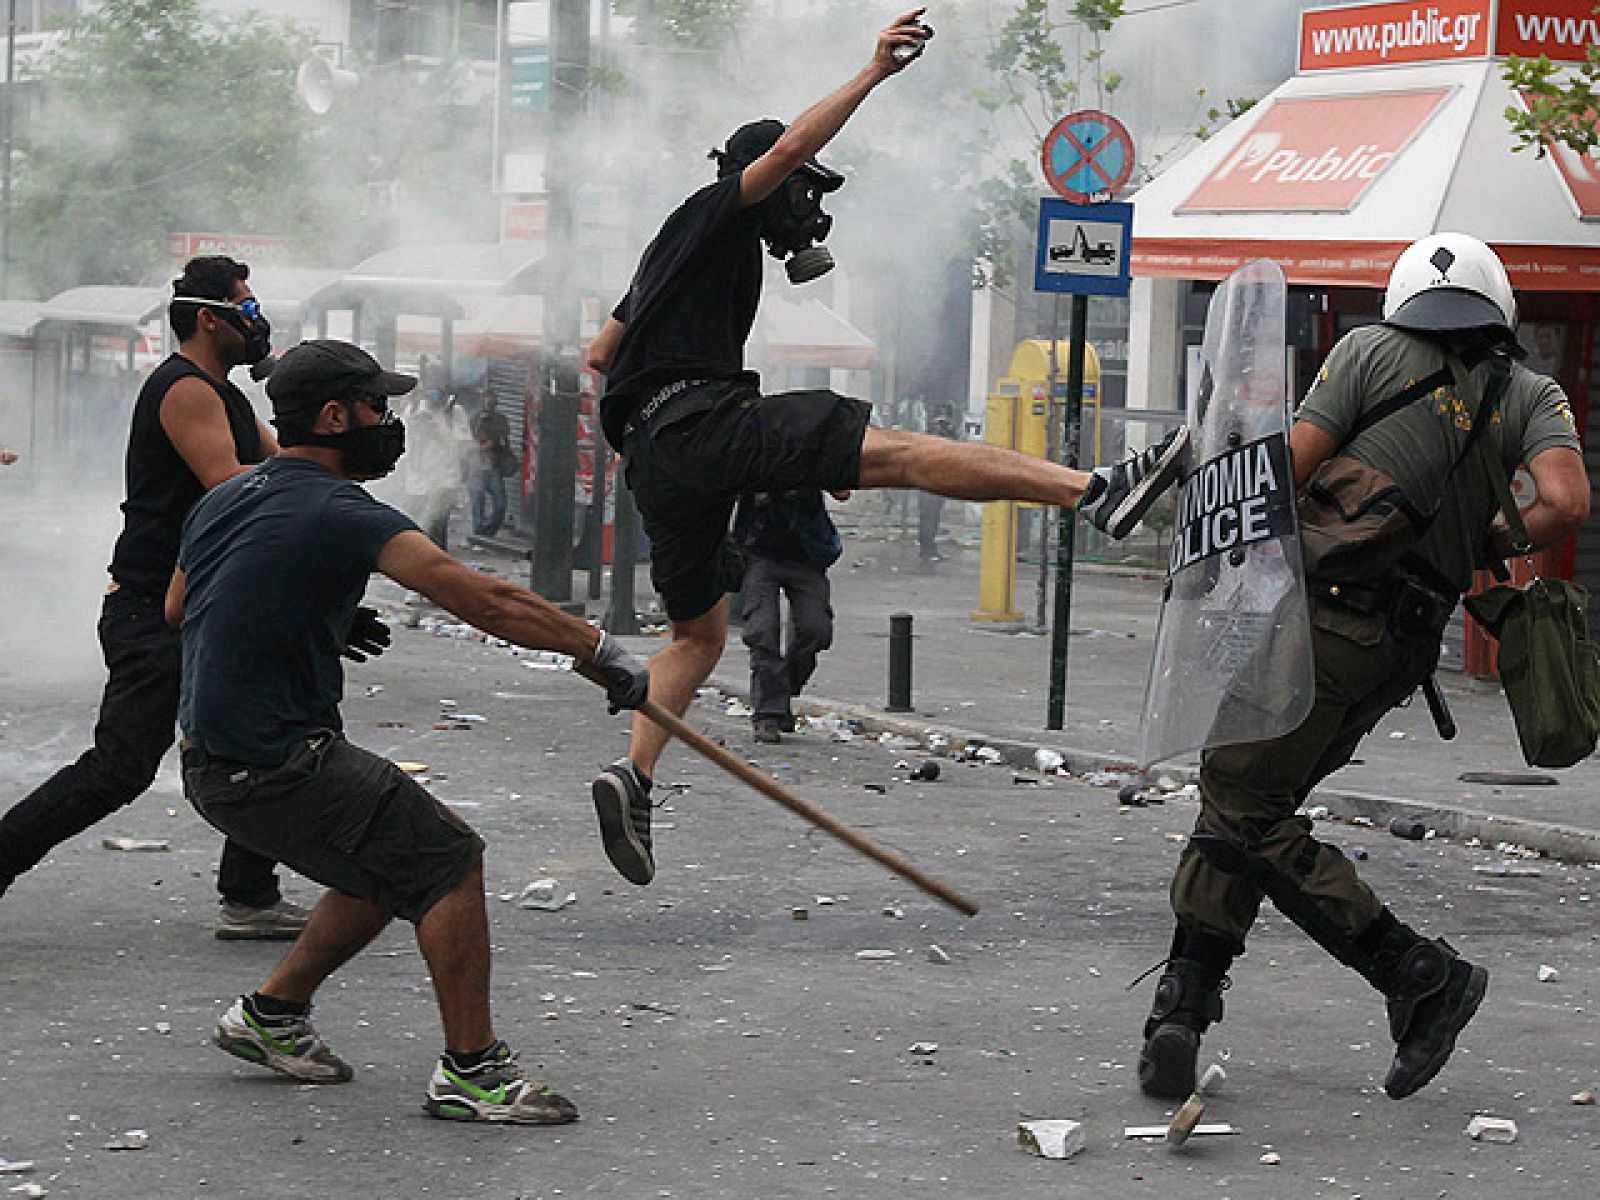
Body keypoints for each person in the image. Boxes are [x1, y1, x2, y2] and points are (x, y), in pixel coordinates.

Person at [583, 7, 1189, 887]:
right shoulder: (718, 208)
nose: (811, 207)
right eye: (809, 192)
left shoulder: (668, 256)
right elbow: (785, 154)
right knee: (901, 451)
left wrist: (666, 445)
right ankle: (1097, 489)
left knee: (694, 636)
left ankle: (630, 776)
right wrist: (874, 72)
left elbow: (600, 355)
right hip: (701, 420)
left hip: (655, 451)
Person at [1134, 233, 1590, 1104]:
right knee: (1247, 799)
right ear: (1499, 308)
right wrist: (1486, 541)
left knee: (1242, 800)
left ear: (1403, 300)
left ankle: (1418, 975)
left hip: (1322, 624)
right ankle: (1179, 1013)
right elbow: (1565, 502)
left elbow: (1286, 472)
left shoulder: (1368, 351)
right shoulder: (1531, 391)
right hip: (1405, 647)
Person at [168, 339, 649, 1124]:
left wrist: (311, 604)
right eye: (374, 407)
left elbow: (177, 609)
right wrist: (596, 649)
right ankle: (472, 1070)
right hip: (274, 763)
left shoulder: (224, 500)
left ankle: (272, 1016)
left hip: (212, 763)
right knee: (448, 859)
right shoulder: (344, 511)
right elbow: (484, 599)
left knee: (384, 868)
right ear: (333, 416)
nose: (386, 423)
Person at [0, 256, 310, 940]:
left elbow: (286, 470)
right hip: (155, 608)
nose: (257, 322)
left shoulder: (226, 394)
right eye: (248, 309)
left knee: (275, 734)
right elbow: (235, 491)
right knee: (120, 769)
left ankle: (250, 893)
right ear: (210, 317)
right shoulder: (185, 389)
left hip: (197, 605)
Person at [734, 489, 841, 743]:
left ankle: (781, 692)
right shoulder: (753, 455)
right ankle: (768, 714)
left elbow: (843, 490)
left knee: (816, 630)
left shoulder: (811, 452)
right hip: (760, 554)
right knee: (762, 633)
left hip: (807, 554)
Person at [469, 393, 514, 537]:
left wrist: (501, 451)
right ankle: (478, 532)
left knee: (500, 504)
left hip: (494, 466)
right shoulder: (474, 419)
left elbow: (505, 442)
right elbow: (465, 441)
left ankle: (489, 531)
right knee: (477, 500)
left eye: (492, 403)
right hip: (477, 466)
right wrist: (480, 447)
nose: (489, 405)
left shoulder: (500, 420)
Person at [917, 407, 957, 563]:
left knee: (930, 518)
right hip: (931, 482)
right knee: (929, 518)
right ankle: (927, 550)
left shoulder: (929, 430)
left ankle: (928, 548)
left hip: (931, 481)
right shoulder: (938, 431)